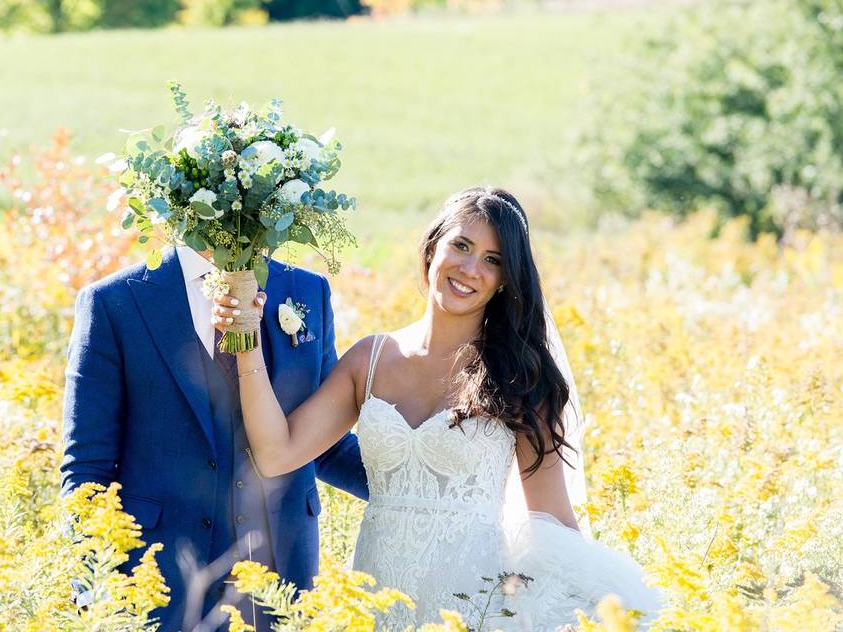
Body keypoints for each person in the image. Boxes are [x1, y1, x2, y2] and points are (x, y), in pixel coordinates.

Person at [212, 187, 663, 630]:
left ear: (507, 279)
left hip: (471, 607)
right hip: (375, 597)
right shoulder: (369, 360)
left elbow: (553, 525)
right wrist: (246, 340)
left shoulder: (520, 378)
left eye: (493, 260)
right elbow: (276, 454)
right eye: (461, 245)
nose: (471, 268)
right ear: (433, 247)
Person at [60, 245, 368, 631]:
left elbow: (321, 443)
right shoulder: (114, 302)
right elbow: (88, 467)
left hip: (281, 586)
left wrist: (421, 488)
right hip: (158, 584)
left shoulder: (306, 290)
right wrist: (91, 587)